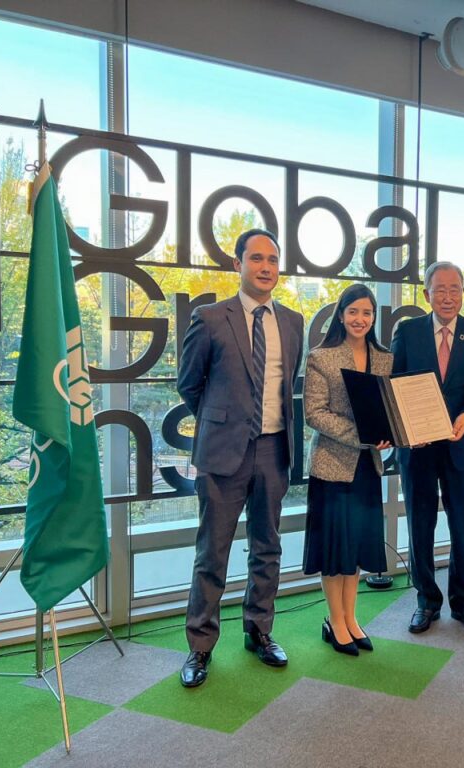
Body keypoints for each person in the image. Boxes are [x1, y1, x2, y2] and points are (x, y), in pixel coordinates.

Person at [176, 229, 304, 688]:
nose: (266, 267)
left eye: (273, 259)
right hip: (223, 453)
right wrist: (224, 423)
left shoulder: (293, 321)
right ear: (238, 264)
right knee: (213, 552)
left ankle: (259, 631)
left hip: (274, 449)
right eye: (256, 258)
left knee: (267, 546)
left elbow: (288, 383)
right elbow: (189, 384)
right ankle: (200, 646)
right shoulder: (210, 318)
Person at [391, 262, 464, 635]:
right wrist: (407, 428)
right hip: (418, 448)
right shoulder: (408, 332)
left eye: (454, 289)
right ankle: (426, 601)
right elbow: (395, 383)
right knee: (420, 526)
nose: (448, 297)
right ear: (427, 294)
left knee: (463, 526)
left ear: (463, 292)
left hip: (460, 444)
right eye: (440, 289)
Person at [302, 284, 392, 656]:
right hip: (332, 466)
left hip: (368, 467)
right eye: (353, 311)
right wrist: (362, 436)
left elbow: (389, 408)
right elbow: (314, 413)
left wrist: (389, 434)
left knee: (355, 546)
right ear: (341, 315)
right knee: (334, 548)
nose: (360, 319)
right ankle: (334, 621)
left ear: (373, 317)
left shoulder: (384, 358)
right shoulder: (320, 356)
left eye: (366, 313)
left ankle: (351, 618)